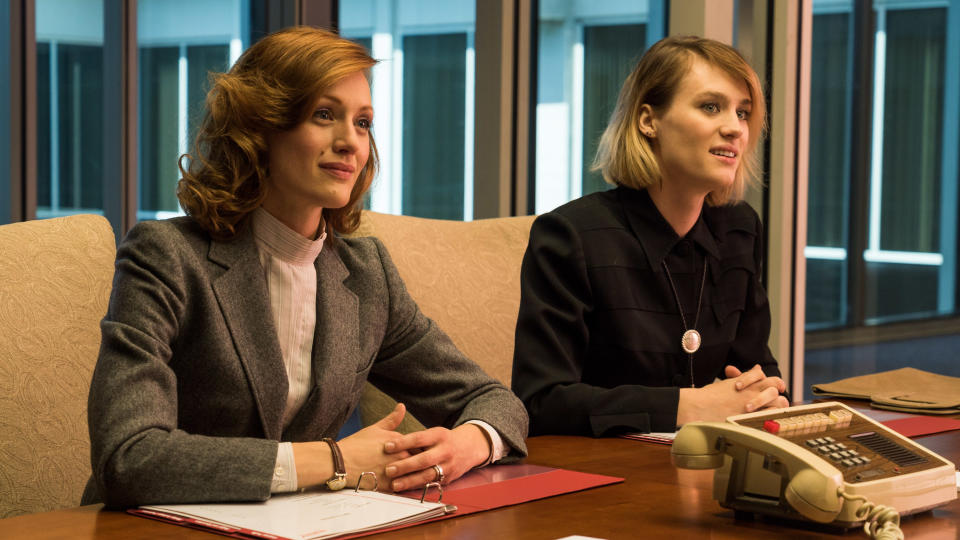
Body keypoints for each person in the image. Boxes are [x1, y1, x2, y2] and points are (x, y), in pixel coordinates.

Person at [82, 26, 527, 508]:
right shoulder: (165, 255)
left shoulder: (366, 272)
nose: (351, 143)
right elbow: (129, 457)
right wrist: (334, 461)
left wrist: (469, 444)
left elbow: (493, 399)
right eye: (323, 115)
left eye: (363, 123)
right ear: (260, 130)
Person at [512, 36, 789, 437]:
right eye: (711, 107)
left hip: (709, 461)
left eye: (743, 113)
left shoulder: (739, 228)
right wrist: (687, 405)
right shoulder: (569, 236)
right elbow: (541, 400)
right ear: (648, 120)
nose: (735, 128)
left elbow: (756, 370)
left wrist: (765, 395)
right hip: (609, 475)